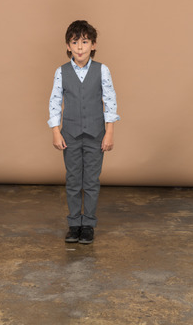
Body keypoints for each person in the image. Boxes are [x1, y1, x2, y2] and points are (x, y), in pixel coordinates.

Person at [48, 20, 120, 244]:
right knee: (72, 181)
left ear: (93, 44)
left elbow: (110, 102)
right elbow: (54, 101)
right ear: (68, 46)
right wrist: (56, 132)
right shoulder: (62, 72)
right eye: (75, 42)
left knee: (90, 181)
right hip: (69, 134)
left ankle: (88, 224)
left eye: (85, 42)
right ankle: (73, 224)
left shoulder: (102, 70)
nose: (80, 47)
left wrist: (109, 133)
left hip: (96, 134)